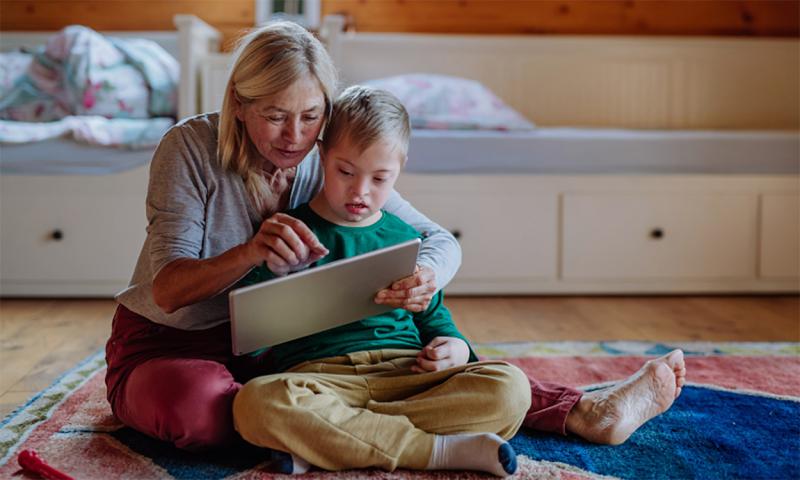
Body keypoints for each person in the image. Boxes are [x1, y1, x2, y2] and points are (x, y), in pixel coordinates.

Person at [231, 86, 687, 476]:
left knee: (510, 388)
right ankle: (439, 449)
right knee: (256, 403)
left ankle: (332, 441)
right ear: (322, 155)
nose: (360, 192)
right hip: (322, 380)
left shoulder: (406, 237)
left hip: (406, 375)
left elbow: (435, 316)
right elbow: (251, 345)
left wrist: (454, 348)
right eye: (345, 172)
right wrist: (273, 276)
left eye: (380, 178)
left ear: (401, 168)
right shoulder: (289, 230)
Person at [104, 21, 461, 452]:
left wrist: (427, 275)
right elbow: (166, 291)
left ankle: (318, 426)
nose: (295, 137)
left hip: (276, 353)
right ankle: (367, 425)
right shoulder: (189, 149)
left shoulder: (326, 158)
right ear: (238, 102)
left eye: (311, 117)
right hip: (169, 344)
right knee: (204, 409)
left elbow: (437, 239)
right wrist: (249, 253)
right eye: (274, 116)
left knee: (443, 363)